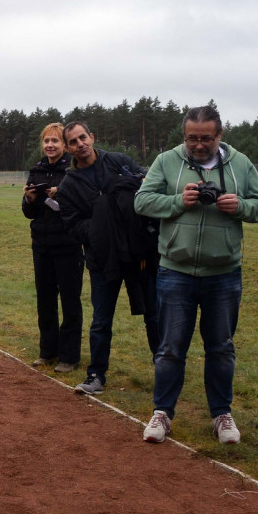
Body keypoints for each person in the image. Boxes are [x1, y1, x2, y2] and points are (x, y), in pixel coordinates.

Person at [134, 105, 258, 444]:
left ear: (219, 135)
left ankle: (222, 414)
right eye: (191, 138)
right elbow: (142, 201)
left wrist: (239, 206)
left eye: (205, 138)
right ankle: (162, 413)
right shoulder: (166, 161)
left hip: (223, 273)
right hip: (175, 271)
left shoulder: (241, 163)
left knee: (221, 348)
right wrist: (179, 201)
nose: (197, 145)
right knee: (169, 348)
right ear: (185, 136)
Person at [56, 121, 159, 396]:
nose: (80, 144)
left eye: (83, 138)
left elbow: (148, 188)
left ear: (92, 137)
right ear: (68, 148)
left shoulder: (118, 162)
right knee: (101, 319)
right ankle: (96, 375)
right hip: (102, 260)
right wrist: (99, 230)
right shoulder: (68, 185)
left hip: (139, 254)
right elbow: (71, 225)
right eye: (74, 142)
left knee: (154, 314)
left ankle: (164, 370)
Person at [22, 122, 84, 372]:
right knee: (45, 300)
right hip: (42, 244)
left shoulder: (73, 171)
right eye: (46, 141)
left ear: (65, 145)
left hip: (68, 244)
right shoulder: (35, 170)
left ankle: (69, 357)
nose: (49, 145)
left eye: (55, 141)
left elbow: (82, 206)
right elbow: (28, 213)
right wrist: (30, 198)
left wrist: (62, 193)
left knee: (70, 301)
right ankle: (48, 351)